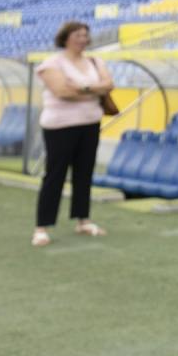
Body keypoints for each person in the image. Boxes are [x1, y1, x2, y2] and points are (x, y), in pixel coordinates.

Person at [33, 22, 113, 248]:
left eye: (85, 35)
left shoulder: (95, 61)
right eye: (78, 35)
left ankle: (83, 220)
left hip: (89, 123)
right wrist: (93, 89)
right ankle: (42, 226)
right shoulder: (52, 63)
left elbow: (108, 84)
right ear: (66, 37)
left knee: (84, 173)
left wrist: (81, 88)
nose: (83, 39)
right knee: (55, 175)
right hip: (60, 126)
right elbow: (61, 91)